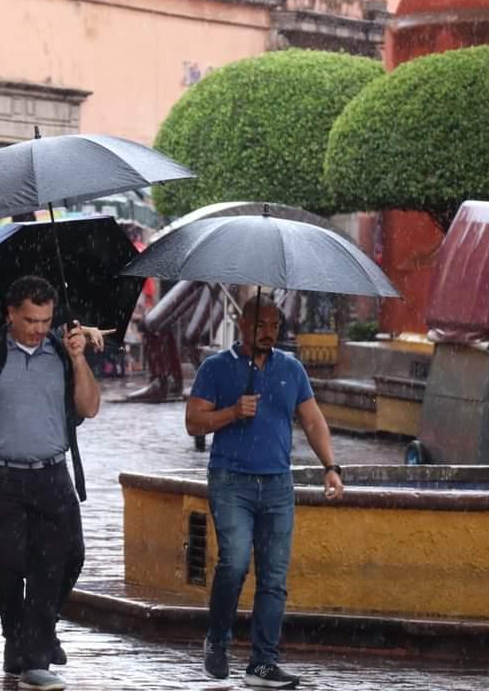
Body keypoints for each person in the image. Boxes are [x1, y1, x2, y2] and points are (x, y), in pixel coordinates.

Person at [0, 275, 100, 691]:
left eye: (46, 320)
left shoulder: (62, 350)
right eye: (30, 319)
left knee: (62, 561)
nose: (38, 328)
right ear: (10, 313)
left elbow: (90, 406)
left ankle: (32, 655)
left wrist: (79, 359)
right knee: (9, 557)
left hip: (52, 473)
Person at [185, 295, 344, 690]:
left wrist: (331, 467)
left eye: (275, 326)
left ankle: (263, 663)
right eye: (261, 326)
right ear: (242, 326)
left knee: (274, 576)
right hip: (230, 480)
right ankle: (217, 639)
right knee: (235, 563)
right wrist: (232, 412)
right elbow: (193, 423)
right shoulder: (216, 368)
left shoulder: (291, 369)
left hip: (277, 483)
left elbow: (312, 420)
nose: (269, 333)